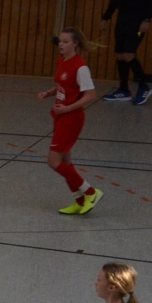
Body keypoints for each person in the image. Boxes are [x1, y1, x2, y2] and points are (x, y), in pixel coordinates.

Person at [37, 28, 102, 215]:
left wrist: (67, 108)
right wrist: (48, 93)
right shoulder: (62, 61)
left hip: (71, 118)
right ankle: (80, 201)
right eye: (60, 41)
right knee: (65, 160)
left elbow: (91, 95)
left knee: (53, 161)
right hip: (60, 116)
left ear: (75, 43)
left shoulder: (81, 67)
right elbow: (62, 85)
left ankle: (91, 192)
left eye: (66, 41)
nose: (61, 45)